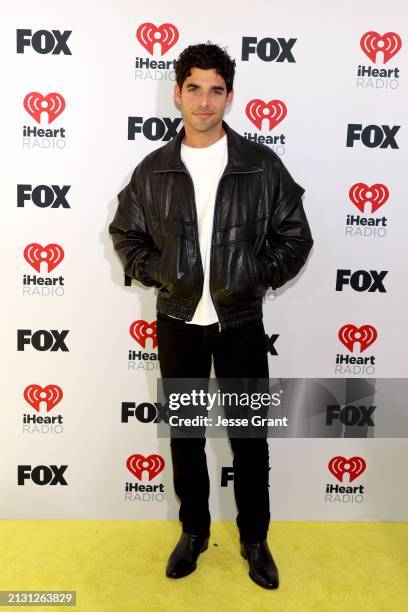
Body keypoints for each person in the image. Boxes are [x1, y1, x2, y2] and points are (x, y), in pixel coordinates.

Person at [109, 42, 313, 590]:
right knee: (186, 435)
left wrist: (251, 276)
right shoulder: (153, 169)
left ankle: (255, 539)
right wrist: (163, 272)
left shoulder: (260, 165)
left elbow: (296, 237)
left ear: (229, 96)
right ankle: (194, 532)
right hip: (177, 320)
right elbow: (125, 235)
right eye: (194, 88)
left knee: (249, 437)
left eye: (215, 90)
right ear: (177, 93)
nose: (204, 101)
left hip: (240, 321)